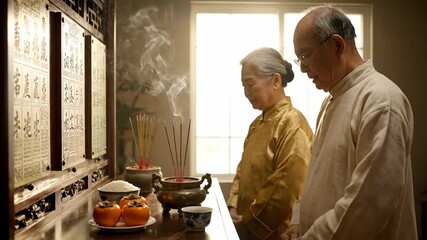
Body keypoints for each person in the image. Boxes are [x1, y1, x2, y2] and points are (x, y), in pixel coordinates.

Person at [281, 5, 418, 240]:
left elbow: (369, 204)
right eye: (299, 58)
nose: (302, 68)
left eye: (305, 55)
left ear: (336, 45)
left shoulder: (381, 99)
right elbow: (315, 175)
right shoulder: (330, 101)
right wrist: (298, 221)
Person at [227, 47, 313, 239]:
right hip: (243, 224)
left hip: (274, 231)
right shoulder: (256, 124)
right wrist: (233, 206)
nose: (246, 93)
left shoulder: (293, 122)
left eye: (250, 84)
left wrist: (250, 223)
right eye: (243, 86)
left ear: (275, 80)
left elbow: (286, 184)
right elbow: (242, 171)